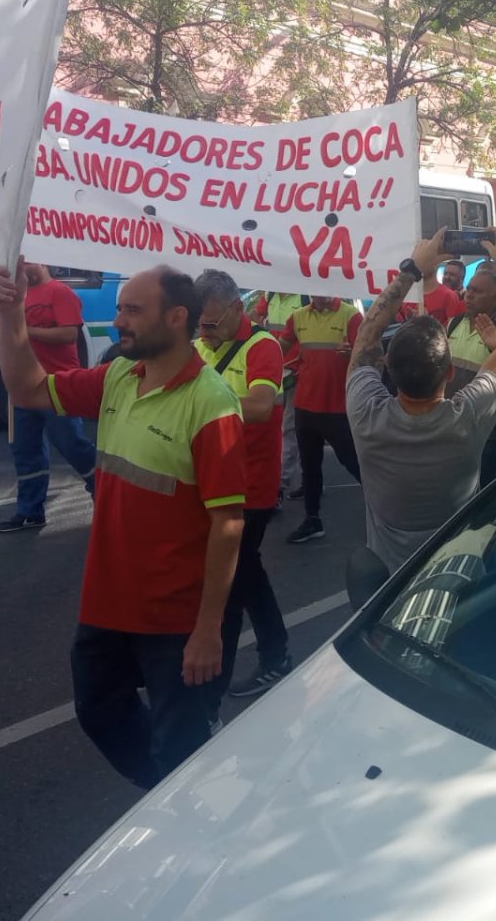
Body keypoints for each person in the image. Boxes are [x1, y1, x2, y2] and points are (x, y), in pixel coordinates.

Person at [0, 261, 245, 787]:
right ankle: (172, 802)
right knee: (100, 711)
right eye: (120, 308)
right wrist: (12, 316)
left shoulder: (211, 402)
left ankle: (188, 824)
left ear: (176, 318)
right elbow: (28, 389)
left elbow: (228, 525)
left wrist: (208, 629)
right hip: (108, 602)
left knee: (180, 746)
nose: (117, 320)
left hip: (174, 618)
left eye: (132, 310)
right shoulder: (120, 375)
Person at [347, 231, 496, 572]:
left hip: (386, 580)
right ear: (450, 372)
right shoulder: (467, 418)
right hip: (452, 575)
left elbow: (366, 334)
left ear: (388, 367)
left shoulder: (365, 411)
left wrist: (413, 269)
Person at [192, 270, 291, 702]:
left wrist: (198, 406)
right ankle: (276, 656)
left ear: (237, 309)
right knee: (244, 574)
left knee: (232, 582)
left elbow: (261, 405)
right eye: (197, 323)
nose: (203, 332)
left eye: (211, 323)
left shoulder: (262, 346)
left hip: (251, 486)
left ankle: (217, 687)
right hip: (209, 484)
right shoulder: (198, 344)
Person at [0, 263, 99, 533]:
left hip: (58, 385)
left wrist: (21, 328)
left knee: (72, 445)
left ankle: (103, 492)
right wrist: (8, 311)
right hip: (21, 390)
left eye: (28, 261)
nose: (22, 266)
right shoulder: (12, 295)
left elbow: (69, 333)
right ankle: (30, 512)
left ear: (43, 262)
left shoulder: (60, 292)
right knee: (24, 450)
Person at [278, 296, 364, 543]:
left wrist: (354, 352)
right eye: (314, 290)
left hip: (337, 407)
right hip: (305, 405)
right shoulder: (298, 317)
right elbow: (278, 349)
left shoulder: (350, 315)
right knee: (310, 467)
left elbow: (370, 353)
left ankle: (384, 511)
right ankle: (312, 520)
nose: (320, 295)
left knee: (354, 463)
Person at [444, 264, 496, 483]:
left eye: (478, 291)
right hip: (450, 428)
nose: (469, 294)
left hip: (486, 434)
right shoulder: (454, 323)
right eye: (469, 288)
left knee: (480, 497)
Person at [253, 292, 306, 503]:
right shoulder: (270, 293)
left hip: (294, 372)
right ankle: (290, 480)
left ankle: (281, 485)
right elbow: (256, 316)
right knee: (275, 425)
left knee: (289, 428)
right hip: (272, 369)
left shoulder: (304, 297)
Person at [398, 263, 464, 325]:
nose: (447, 277)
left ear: (461, 278)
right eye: (445, 273)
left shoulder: (450, 295)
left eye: (452, 275)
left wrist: (427, 321)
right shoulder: (411, 294)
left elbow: (452, 330)